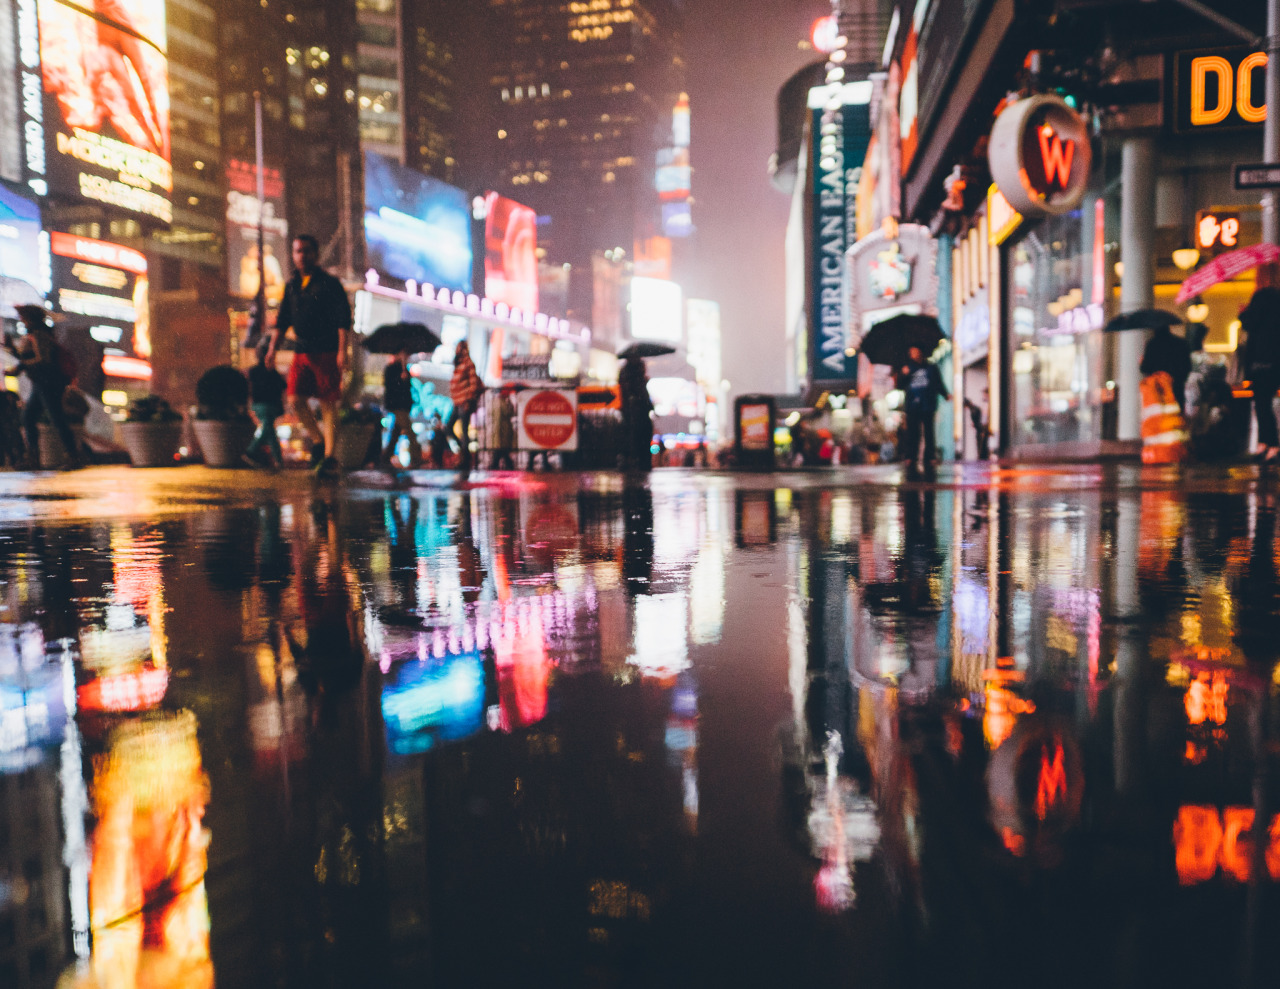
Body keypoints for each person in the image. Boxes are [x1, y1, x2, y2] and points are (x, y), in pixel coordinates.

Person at [266, 234, 352, 479]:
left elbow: (343, 318)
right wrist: (272, 349)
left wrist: (342, 351)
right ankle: (317, 443)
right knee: (294, 399)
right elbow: (282, 320)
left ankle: (330, 457)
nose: (301, 256)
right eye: (297, 251)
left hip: (326, 350)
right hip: (301, 350)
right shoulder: (292, 285)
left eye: (306, 251)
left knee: (328, 402)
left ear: (315, 254)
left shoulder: (329, 283)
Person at [8, 305, 79, 469]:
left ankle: (72, 456)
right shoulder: (36, 333)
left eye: (23, 317)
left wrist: (22, 364)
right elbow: (30, 358)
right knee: (29, 417)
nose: (21, 320)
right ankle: (34, 458)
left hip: (48, 383)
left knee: (56, 417)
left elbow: (43, 360)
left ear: (30, 318)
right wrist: (15, 354)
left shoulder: (39, 334)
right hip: (41, 383)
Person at [898, 346, 950, 478]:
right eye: (911, 352)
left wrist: (945, 394)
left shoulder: (931, 368)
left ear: (921, 352)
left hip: (928, 404)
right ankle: (911, 457)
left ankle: (930, 457)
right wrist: (903, 374)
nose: (914, 354)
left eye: (916, 351)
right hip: (912, 406)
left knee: (929, 432)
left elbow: (938, 383)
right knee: (913, 433)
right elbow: (899, 385)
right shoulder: (908, 368)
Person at [1242, 287, 1280, 463]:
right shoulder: (1275, 320)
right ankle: (1269, 444)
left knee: (1262, 406)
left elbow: (1249, 341)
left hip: (1259, 367)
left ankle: (1267, 443)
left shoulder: (1255, 322)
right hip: (1274, 366)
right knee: (1265, 407)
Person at [244, 341, 287, 468]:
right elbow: (282, 386)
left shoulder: (253, 371)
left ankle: (279, 461)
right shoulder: (273, 373)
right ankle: (250, 451)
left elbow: (251, 388)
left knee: (270, 432)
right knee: (268, 430)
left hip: (258, 405)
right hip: (270, 406)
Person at [381, 348, 420, 467]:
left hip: (403, 405)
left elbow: (407, 388)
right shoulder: (391, 369)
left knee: (396, 431)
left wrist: (405, 377)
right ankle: (416, 458)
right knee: (409, 431)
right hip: (397, 405)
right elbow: (390, 386)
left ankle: (385, 457)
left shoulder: (405, 369)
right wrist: (400, 378)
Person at [1139, 324, 1192, 412]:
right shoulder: (1181, 343)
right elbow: (1187, 367)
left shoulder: (1152, 344)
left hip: (1157, 391)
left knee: (1158, 420)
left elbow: (1145, 368)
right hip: (1176, 389)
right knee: (1176, 420)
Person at [449, 340, 483, 471]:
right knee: (449, 428)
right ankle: (463, 453)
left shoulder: (468, 363)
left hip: (464, 401)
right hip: (457, 402)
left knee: (464, 430)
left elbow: (473, 383)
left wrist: (469, 400)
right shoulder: (458, 364)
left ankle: (465, 459)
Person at [619, 356, 654, 471]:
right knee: (640, 442)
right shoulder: (638, 382)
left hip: (631, 417)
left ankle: (633, 463)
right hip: (638, 418)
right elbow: (644, 401)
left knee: (633, 442)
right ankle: (640, 465)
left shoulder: (626, 377)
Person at [493, 385, 517, 469]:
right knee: (501, 454)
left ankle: (495, 467)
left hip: (502, 435)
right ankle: (495, 467)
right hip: (502, 434)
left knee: (501, 455)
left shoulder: (501, 402)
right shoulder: (500, 403)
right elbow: (499, 421)